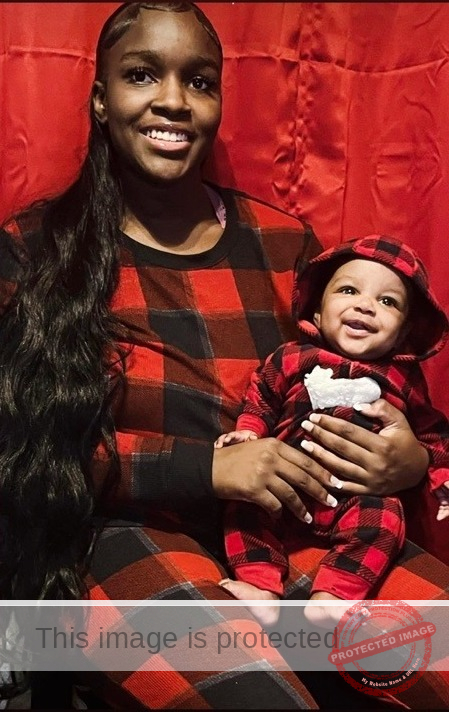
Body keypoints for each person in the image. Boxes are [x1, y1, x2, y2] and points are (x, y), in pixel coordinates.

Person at [0, 1, 445, 708]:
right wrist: (209, 467)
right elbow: (21, 450)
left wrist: (409, 462)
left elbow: (374, 383)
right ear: (101, 99)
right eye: (142, 75)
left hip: (300, 528)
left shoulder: (284, 242)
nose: (173, 101)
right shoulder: (35, 249)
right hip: (130, 534)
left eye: (200, 81)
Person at [215, 235, 449, 627]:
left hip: (356, 496)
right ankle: (259, 585)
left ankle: (333, 595)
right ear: (318, 313)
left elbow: (433, 434)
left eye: (387, 301)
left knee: (387, 519)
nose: (366, 305)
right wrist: (248, 434)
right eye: (348, 290)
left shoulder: (403, 379)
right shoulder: (291, 357)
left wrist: (439, 474)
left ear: (403, 333)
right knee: (243, 508)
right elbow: (261, 399)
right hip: (286, 482)